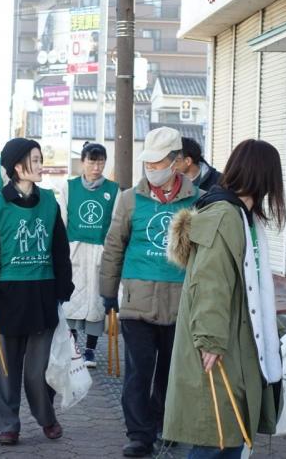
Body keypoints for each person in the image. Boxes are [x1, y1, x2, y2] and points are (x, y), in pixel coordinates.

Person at [164, 139, 285, 459]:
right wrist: (210, 340)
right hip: (220, 344)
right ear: (264, 176)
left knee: (228, 436)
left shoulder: (240, 215)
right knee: (217, 437)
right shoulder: (225, 215)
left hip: (234, 342)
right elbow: (210, 283)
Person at [100, 127, 200, 458]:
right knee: (138, 372)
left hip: (180, 303)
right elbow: (114, 246)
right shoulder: (130, 199)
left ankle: (164, 426)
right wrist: (108, 292)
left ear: (177, 162)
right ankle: (139, 435)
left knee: (171, 373)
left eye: (158, 162)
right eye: (148, 163)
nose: (151, 169)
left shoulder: (198, 200)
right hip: (137, 303)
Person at [0, 137, 74, 446]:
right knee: (4, 369)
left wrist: (64, 286)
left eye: (40, 158)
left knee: (39, 369)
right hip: (6, 298)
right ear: (17, 166)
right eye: (35, 159)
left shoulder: (49, 202)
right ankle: (8, 424)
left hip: (43, 295)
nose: (40, 165)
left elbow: (60, 249)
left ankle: (47, 417)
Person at [58, 142, 119, 368]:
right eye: (92, 162)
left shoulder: (114, 190)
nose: (96, 167)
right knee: (72, 301)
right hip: (74, 250)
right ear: (82, 162)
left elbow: (116, 224)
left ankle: (90, 351)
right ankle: (73, 349)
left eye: (101, 162)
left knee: (96, 303)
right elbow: (61, 221)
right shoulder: (69, 187)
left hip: (100, 252)